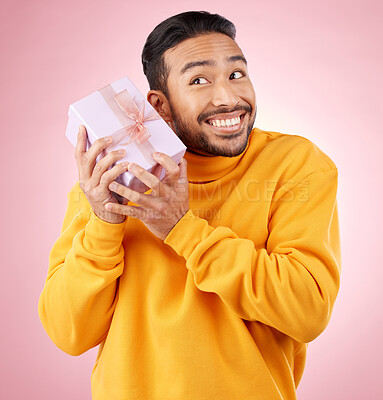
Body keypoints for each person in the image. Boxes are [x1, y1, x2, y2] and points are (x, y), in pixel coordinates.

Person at [38, 10, 341, 400]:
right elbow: (69, 334)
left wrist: (182, 229)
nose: (229, 98)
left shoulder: (296, 164)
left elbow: (307, 310)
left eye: (237, 74)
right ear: (158, 106)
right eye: (199, 80)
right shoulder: (106, 184)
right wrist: (104, 223)